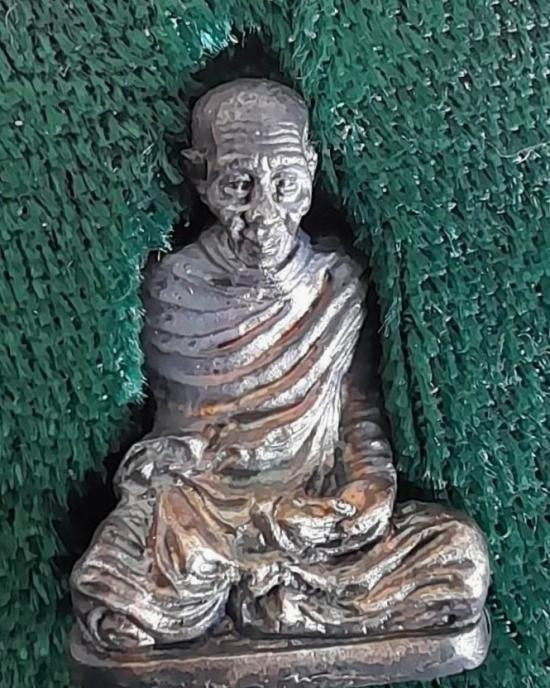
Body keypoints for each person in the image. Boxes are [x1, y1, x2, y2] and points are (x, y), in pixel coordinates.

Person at [71, 79, 489, 650]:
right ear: (199, 176)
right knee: (115, 596)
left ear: (311, 171)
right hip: (210, 512)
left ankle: (274, 597)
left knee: (460, 557)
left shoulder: (337, 285)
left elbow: (356, 418)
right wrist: (184, 482)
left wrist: (366, 495)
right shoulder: (170, 290)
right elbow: (175, 436)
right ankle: (275, 598)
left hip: (312, 510)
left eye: (286, 184)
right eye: (239, 186)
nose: (265, 213)